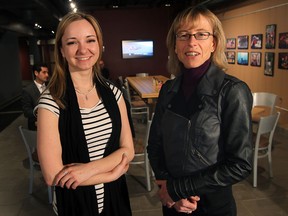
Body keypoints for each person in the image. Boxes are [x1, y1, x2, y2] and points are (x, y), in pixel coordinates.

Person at [147, 6, 253, 216]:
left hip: (212, 206)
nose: (191, 42)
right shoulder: (168, 89)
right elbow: (155, 145)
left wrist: (179, 189)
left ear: (213, 43)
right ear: (175, 45)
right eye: (184, 35)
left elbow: (240, 164)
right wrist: (167, 187)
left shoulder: (233, 91)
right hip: (172, 204)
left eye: (201, 34)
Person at [35, 12, 134, 216]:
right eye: (72, 42)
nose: (83, 49)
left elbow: (128, 150)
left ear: (99, 45)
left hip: (115, 198)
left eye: (90, 40)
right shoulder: (51, 102)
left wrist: (88, 170)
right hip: (75, 203)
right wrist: (109, 174)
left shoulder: (114, 93)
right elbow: (52, 175)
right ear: (62, 50)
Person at [21, 63, 49, 130]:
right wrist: (37, 112)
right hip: (36, 125)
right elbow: (26, 111)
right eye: (44, 72)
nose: (47, 75)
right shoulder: (27, 90)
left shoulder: (50, 86)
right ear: (36, 73)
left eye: (47, 72)